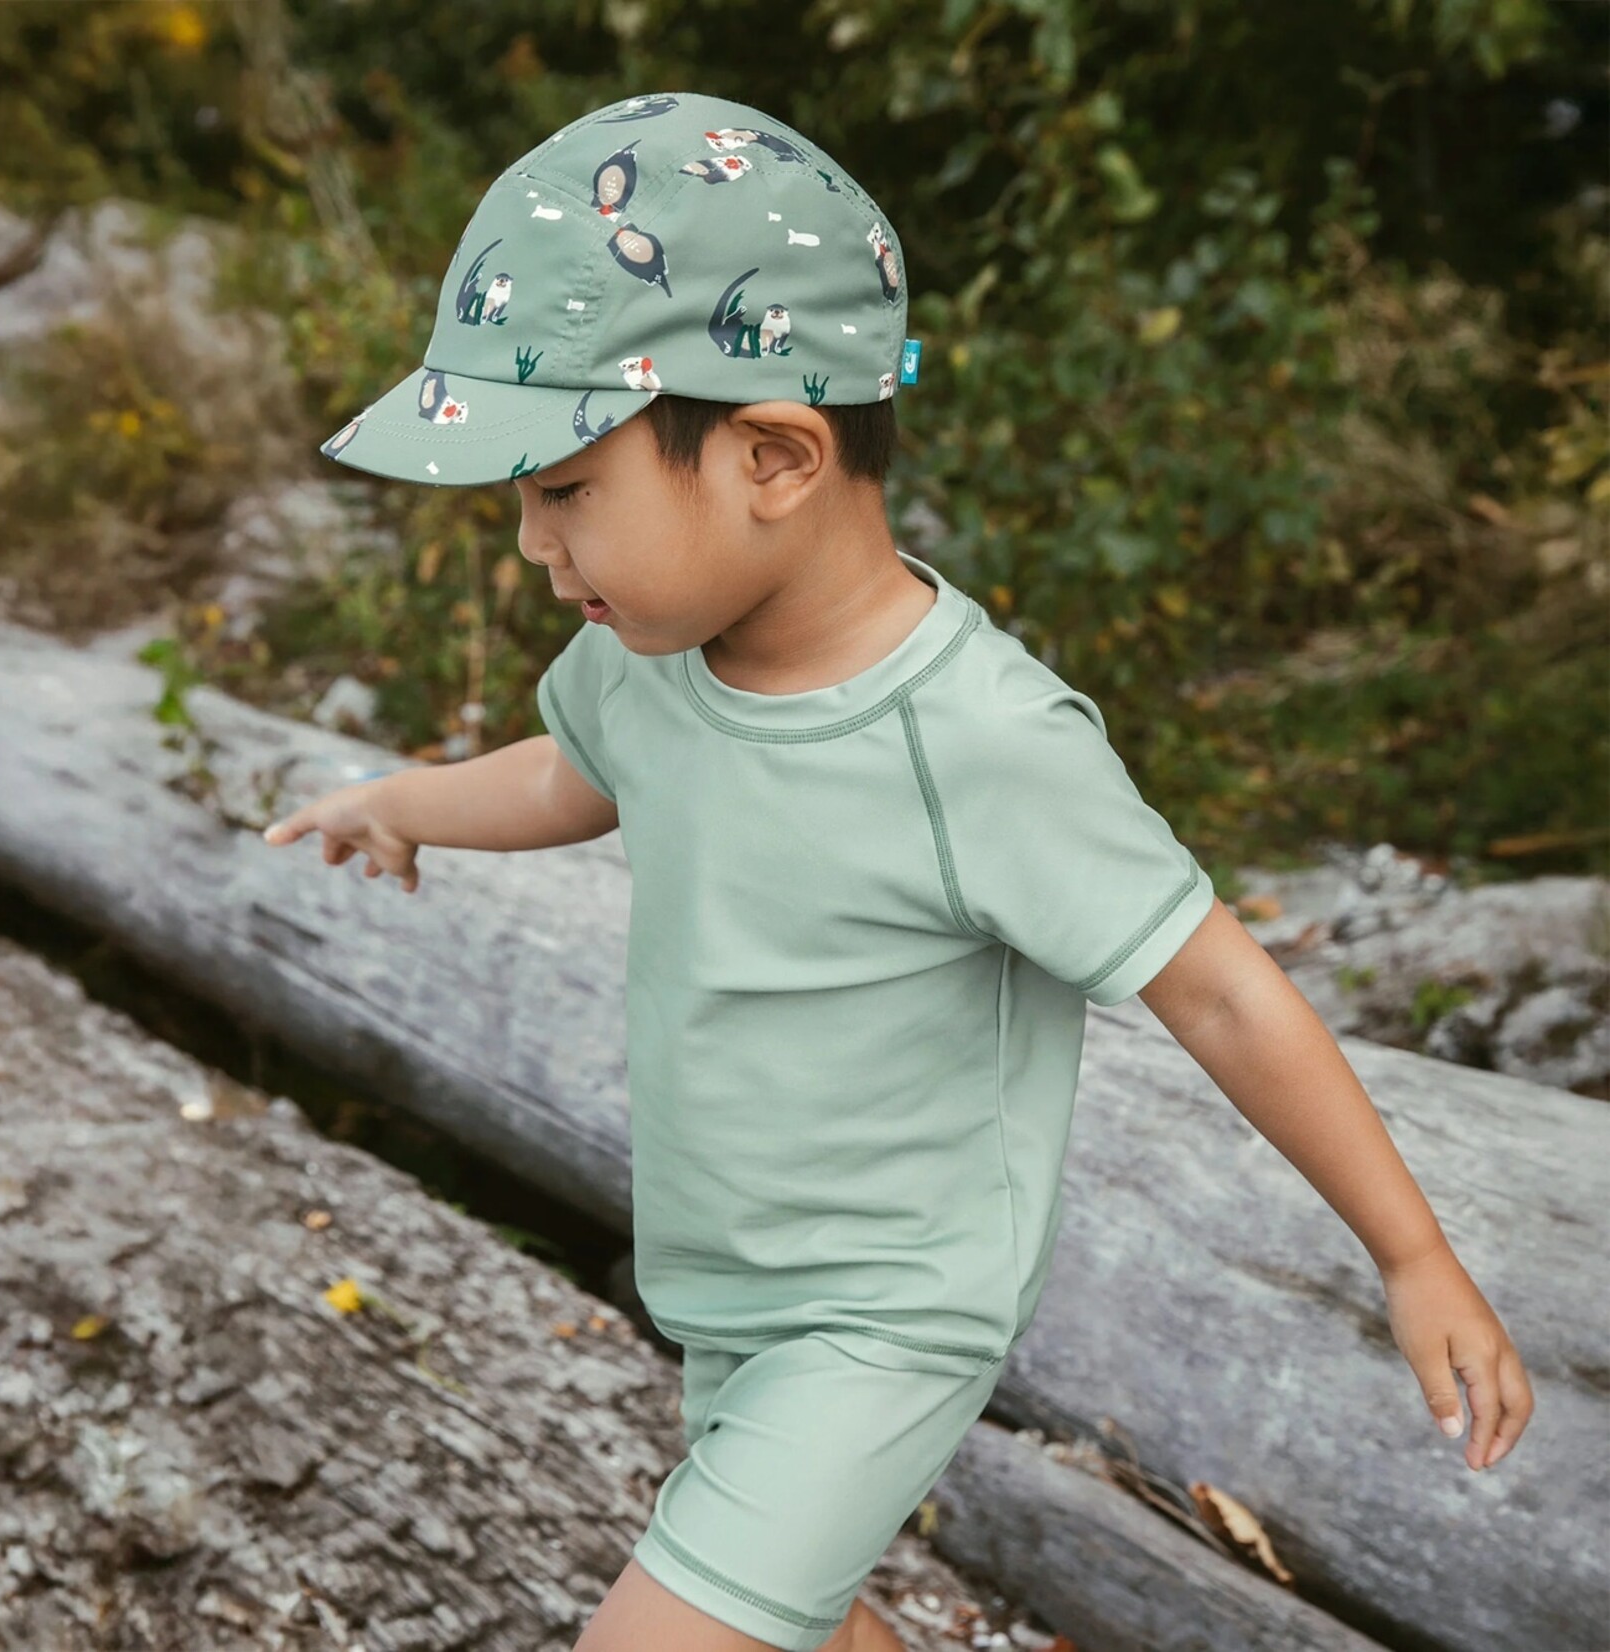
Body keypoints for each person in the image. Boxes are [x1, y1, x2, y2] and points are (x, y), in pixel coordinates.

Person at [261, 90, 1534, 1652]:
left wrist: (1412, 1257)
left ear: (776, 457)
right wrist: (404, 801)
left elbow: (1219, 991)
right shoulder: (648, 660)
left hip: (885, 1316)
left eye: (563, 490)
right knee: (800, 1623)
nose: (531, 548)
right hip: (727, 1282)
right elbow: (571, 777)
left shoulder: (979, 740)